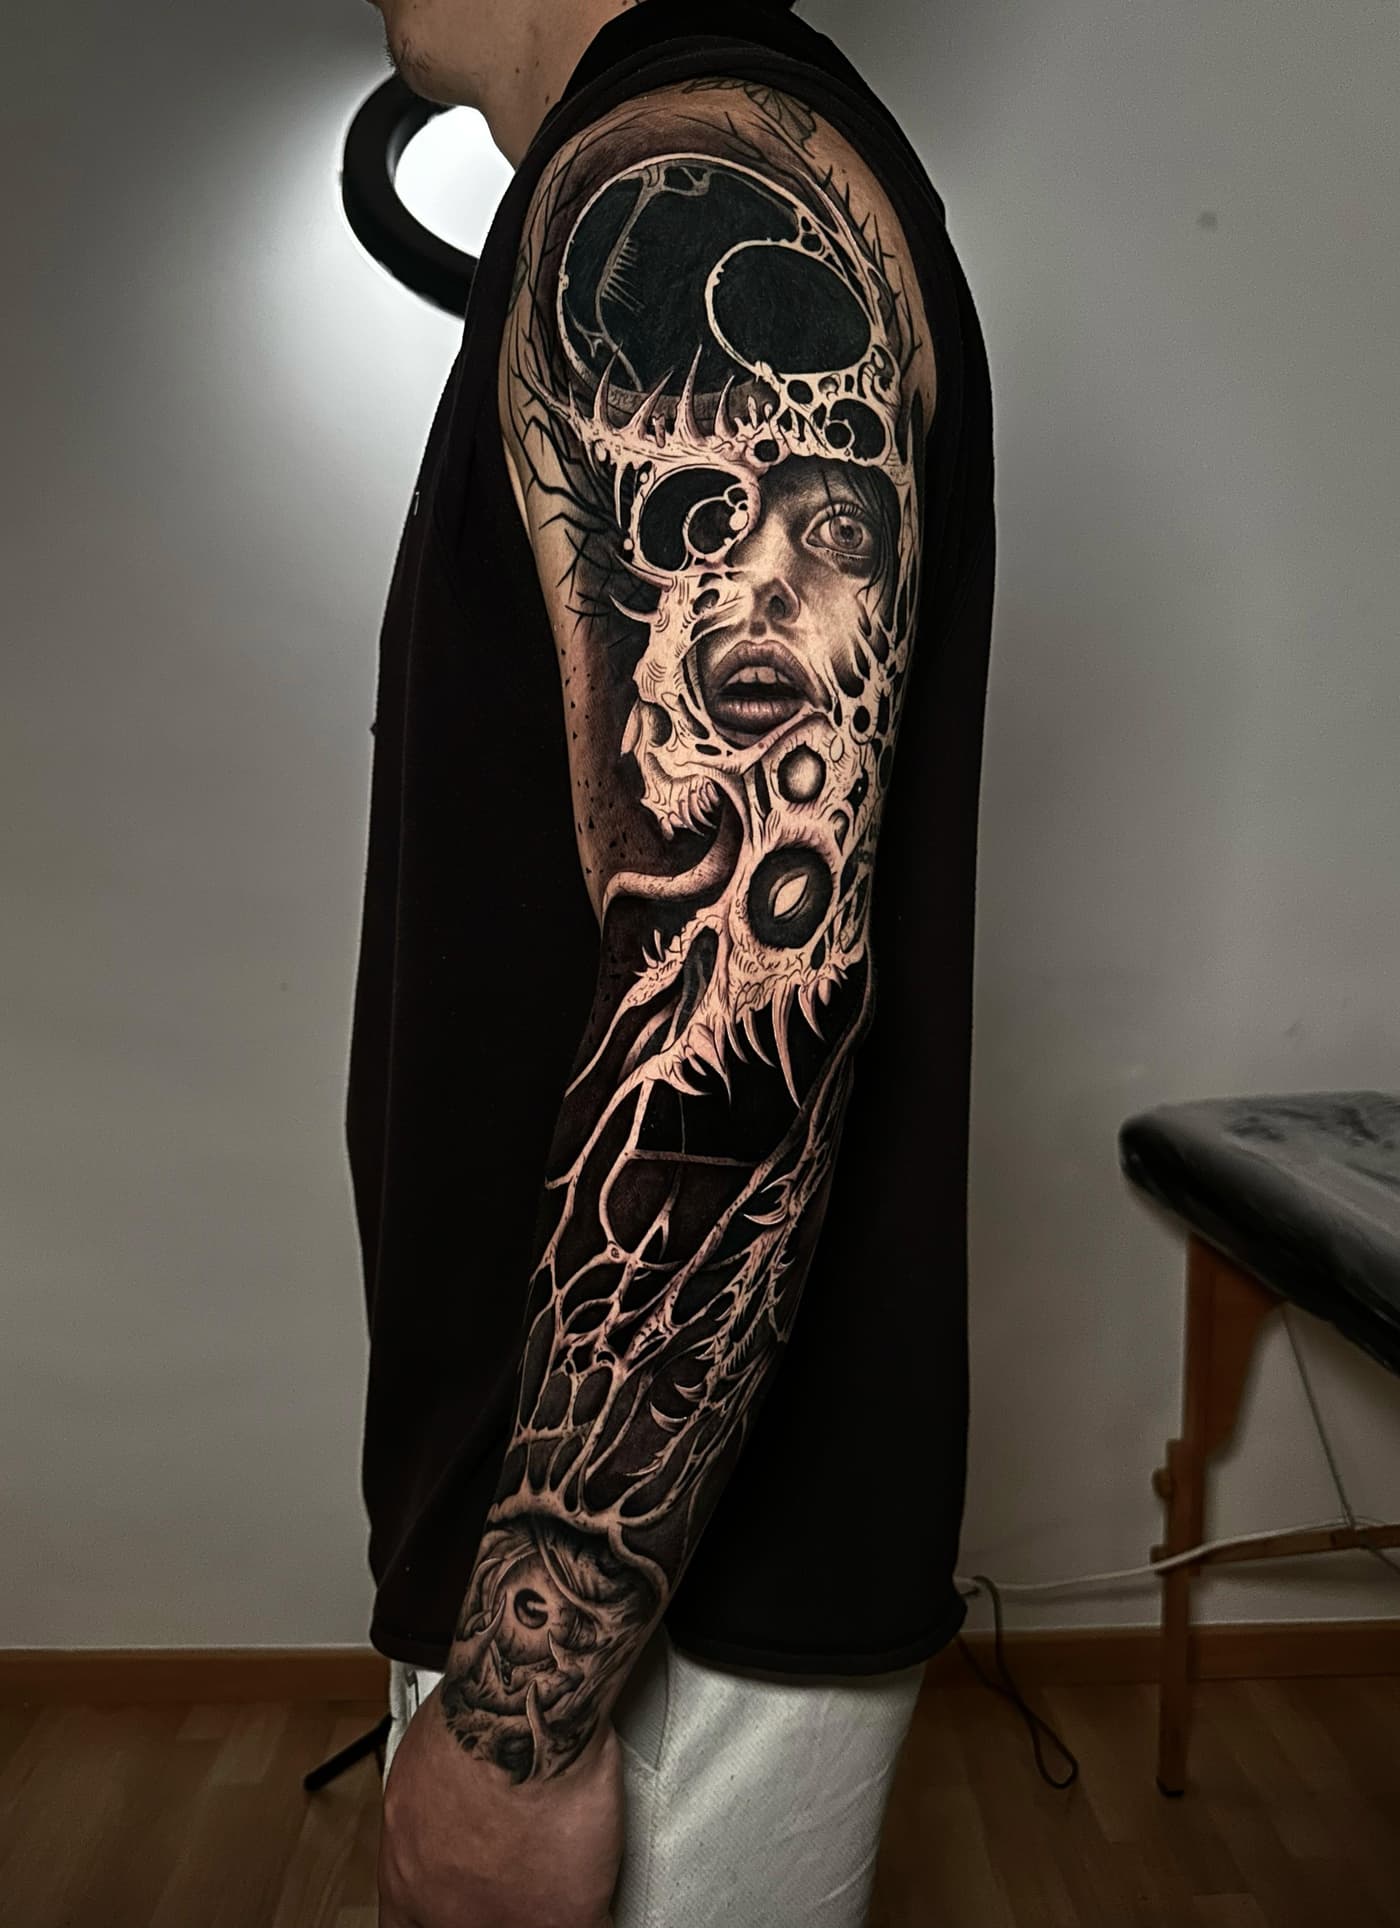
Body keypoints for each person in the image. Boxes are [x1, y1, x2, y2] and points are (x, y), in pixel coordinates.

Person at [346, 1, 996, 1921]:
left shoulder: (695, 179)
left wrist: (523, 1715)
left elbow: (750, 1009)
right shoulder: (657, 171)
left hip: (661, 1614)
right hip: (613, 1557)